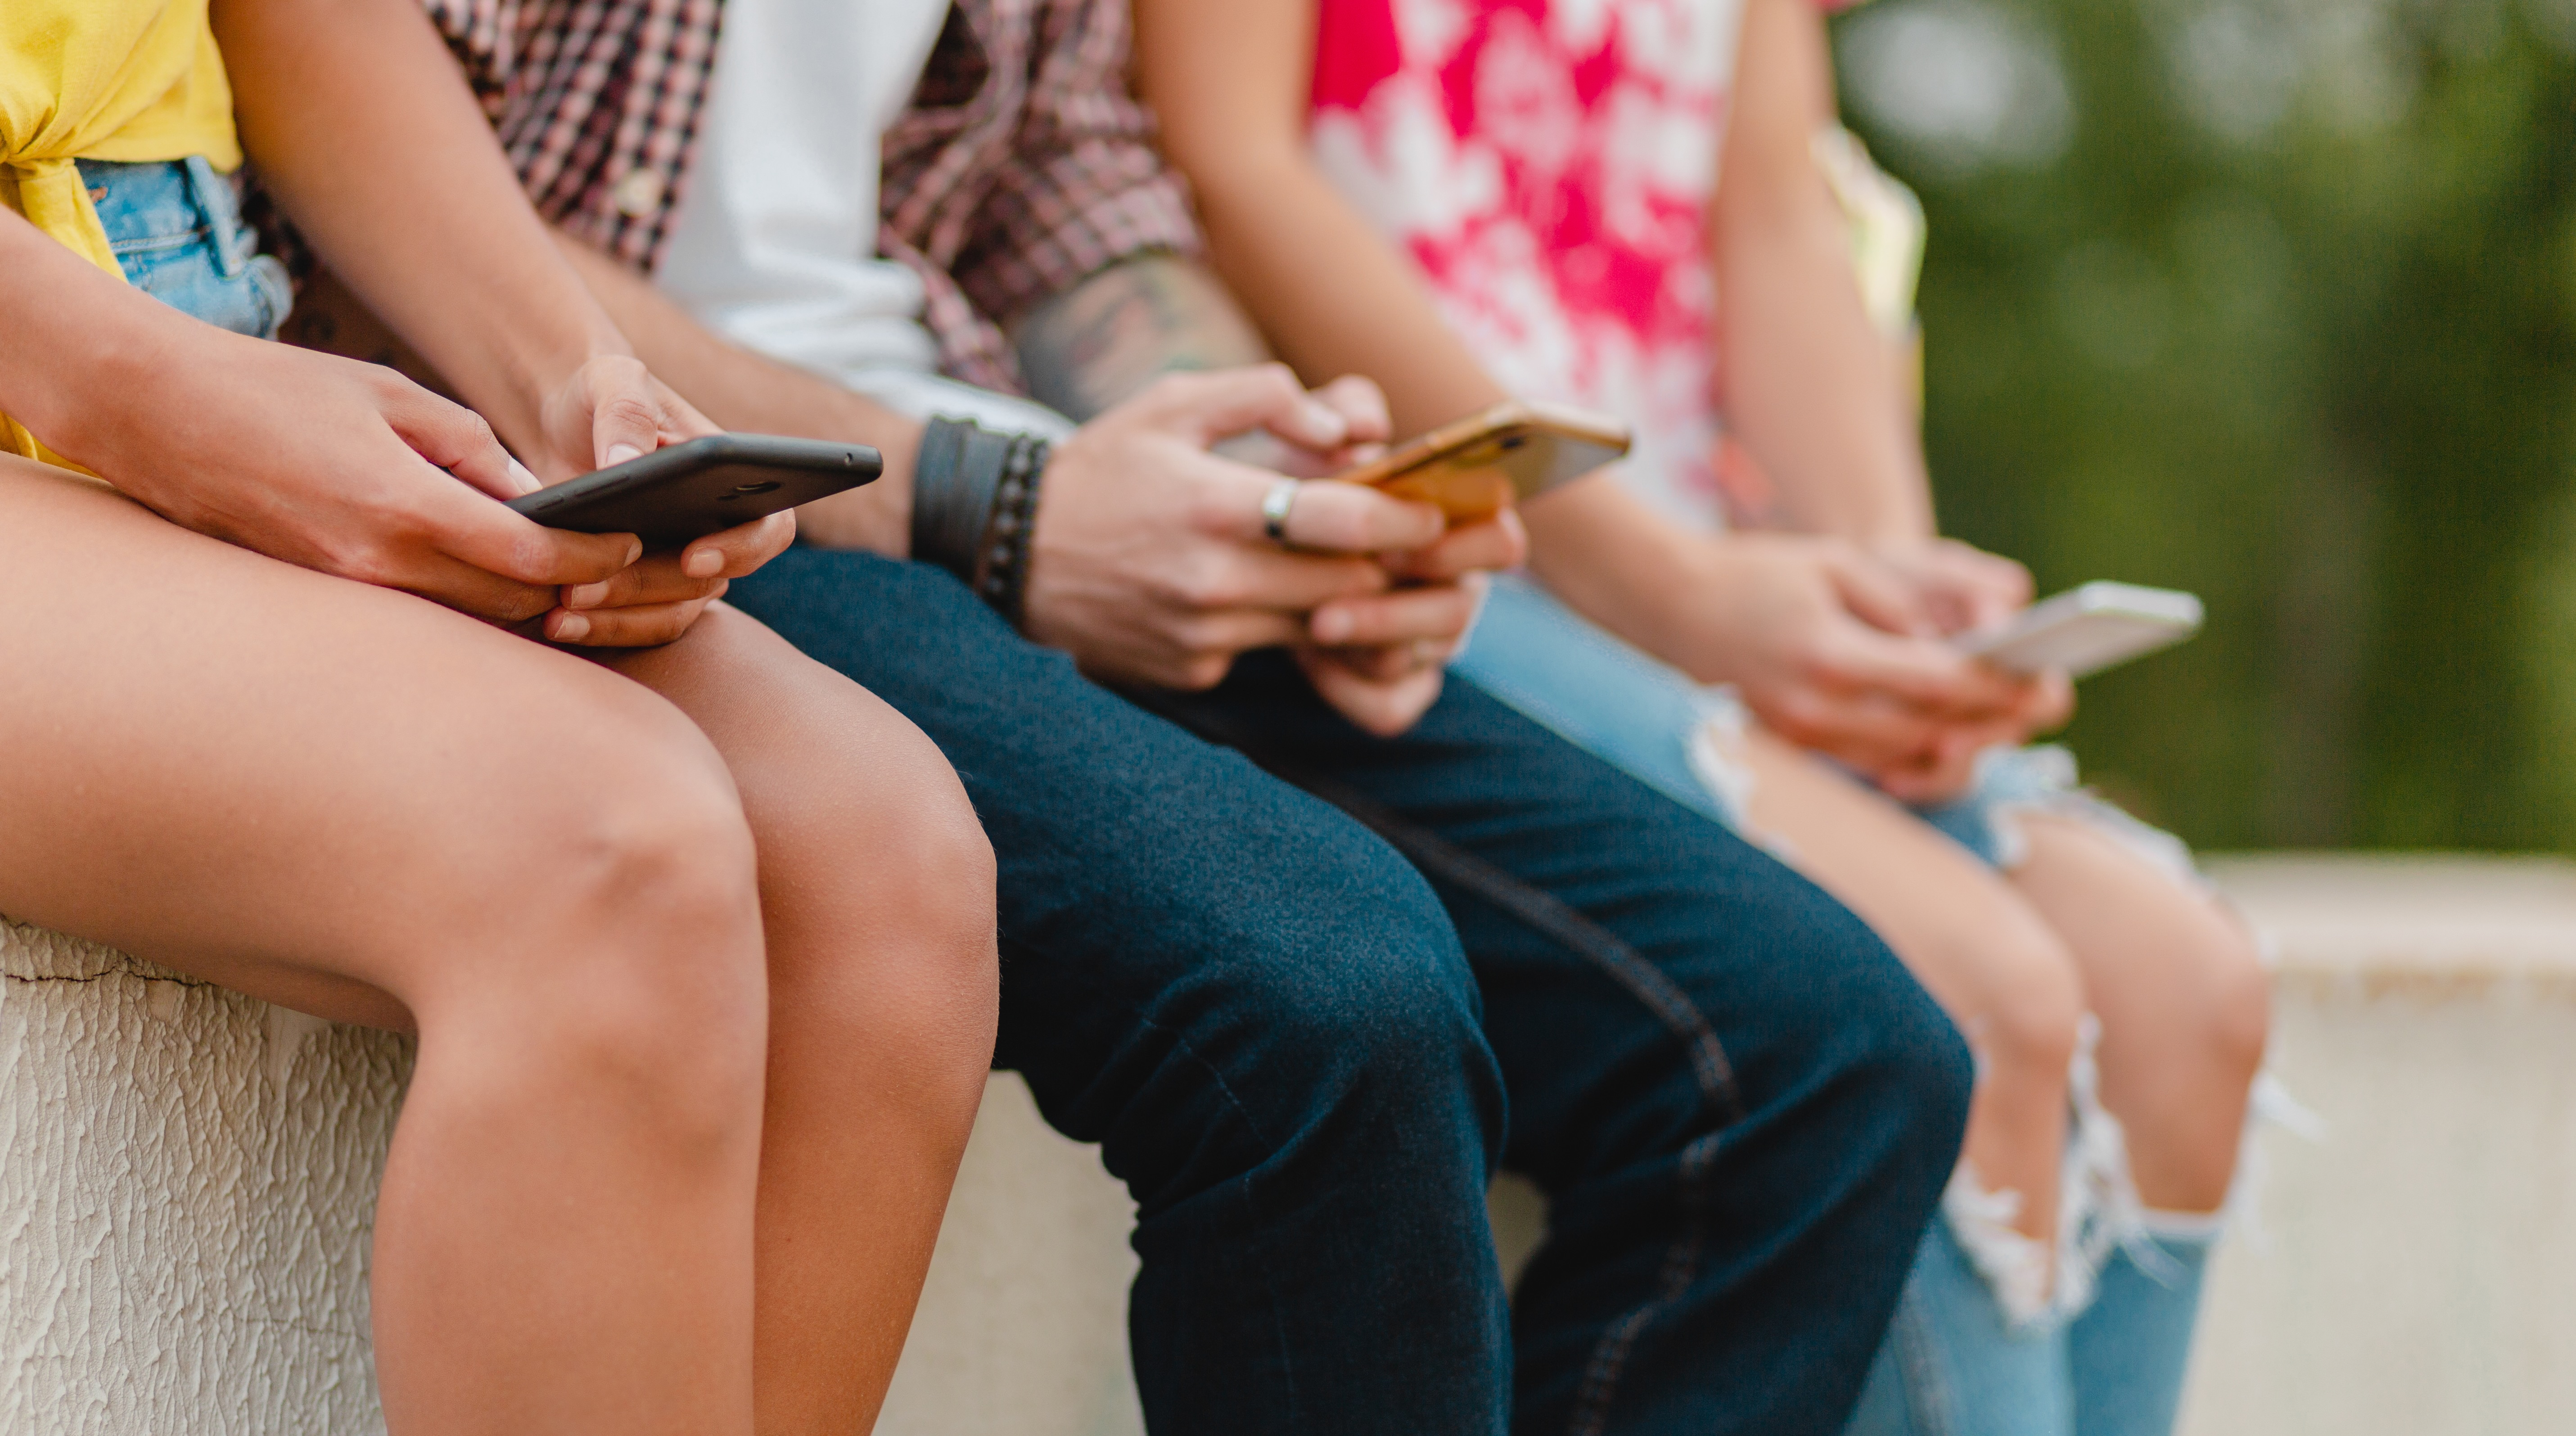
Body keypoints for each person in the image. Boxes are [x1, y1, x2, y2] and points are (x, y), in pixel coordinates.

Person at [387, 0, 1978, 1431]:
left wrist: (1282, 498)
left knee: (1824, 1052)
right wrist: (992, 500)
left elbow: (1064, 190)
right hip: (668, 502)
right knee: (1328, 992)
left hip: (990, 465)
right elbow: (375, 198)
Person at [1132, 0, 2275, 1431]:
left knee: (2185, 989)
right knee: (1982, 991)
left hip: (1713, 556)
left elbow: (1777, 217)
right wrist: (1666, 588)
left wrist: (1887, 591)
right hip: (1432, 560)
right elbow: (1233, 167)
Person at [0, 2, 998, 1431]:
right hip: (92, 361)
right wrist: (137, 393)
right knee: (603, 846)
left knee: (883, 862)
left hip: (182, 290)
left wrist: (571, 378)